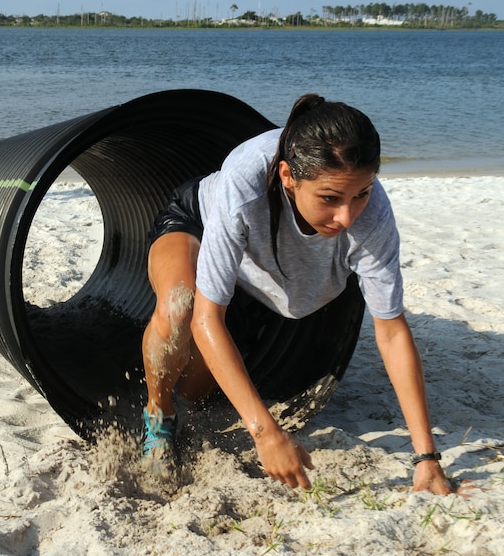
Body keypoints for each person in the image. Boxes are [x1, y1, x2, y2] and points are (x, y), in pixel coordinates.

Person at [141, 93, 456, 496]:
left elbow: (392, 331)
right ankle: (158, 414)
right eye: (330, 198)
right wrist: (265, 433)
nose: (346, 216)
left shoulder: (372, 216)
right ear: (289, 176)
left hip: (261, 269)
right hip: (197, 223)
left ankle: (186, 395)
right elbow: (206, 318)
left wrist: (426, 458)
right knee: (180, 306)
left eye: (361, 193)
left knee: (197, 392)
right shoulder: (246, 183)